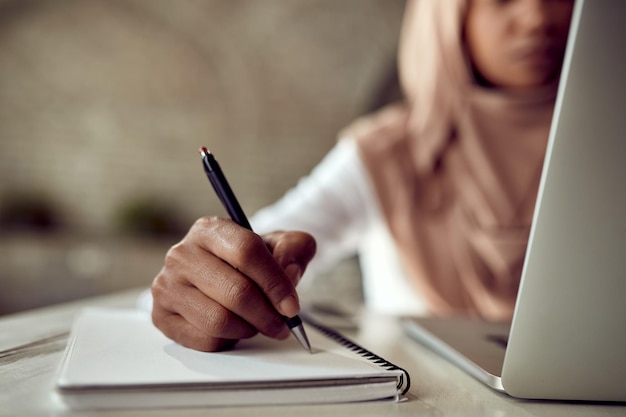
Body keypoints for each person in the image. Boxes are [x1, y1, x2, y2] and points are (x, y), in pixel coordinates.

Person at [150, 0, 574, 352]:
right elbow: (258, 252)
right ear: (447, 14)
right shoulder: (387, 154)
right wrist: (204, 283)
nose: (537, 17)